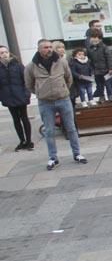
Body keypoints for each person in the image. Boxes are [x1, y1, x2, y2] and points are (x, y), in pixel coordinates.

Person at [25, 39, 86, 170]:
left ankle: (77, 154)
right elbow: (29, 84)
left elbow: (69, 78)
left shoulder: (61, 62)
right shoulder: (31, 66)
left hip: (63, 99)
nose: (49, 50)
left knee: (71, 128)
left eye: (50, 47)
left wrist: (63, 89)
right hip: (45, 102)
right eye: (45, 47)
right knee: (49, 131)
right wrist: (41, 92)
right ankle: (53, 158)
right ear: (39, 49)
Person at [0, 45, 32, 151]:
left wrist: (27, 94)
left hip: (20, 96)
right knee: (16, 120)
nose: (4, 54)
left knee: (24, 118)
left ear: (9, 53)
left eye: (5, 52)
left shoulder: (18, 65)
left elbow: (26, 81)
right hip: (8, 97)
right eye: (1, 53)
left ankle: (28, 140)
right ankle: (21, 140)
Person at [86, 28, 112, 103]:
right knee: (99, 85)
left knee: (108, 84)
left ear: (100, 39)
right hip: (96, 71)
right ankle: (101, 97)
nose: (94, 39)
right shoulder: (90, 48)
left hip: (105, 70)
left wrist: (111, 68)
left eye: (96, 37)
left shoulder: (104, 47)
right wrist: (91, 70)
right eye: (92, 37)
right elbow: (89, 60)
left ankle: (110, 96)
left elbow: (109, 58)